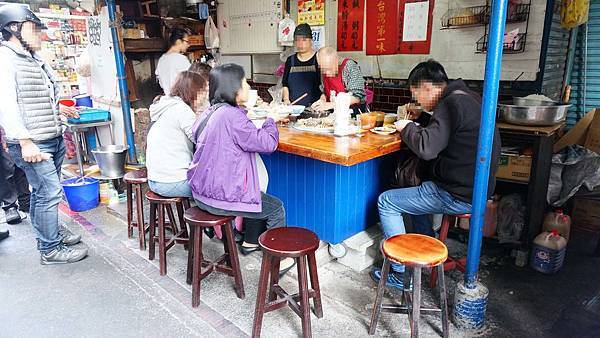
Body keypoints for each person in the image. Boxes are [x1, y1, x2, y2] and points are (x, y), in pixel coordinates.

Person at [373, 60, 501, 288]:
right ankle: (425, 249)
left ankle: (400, 274)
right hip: (477, 190)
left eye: (416, 95)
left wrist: (406, 127)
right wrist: (422, 116)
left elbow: (427, 148)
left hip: (456, 193)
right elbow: (445, 131)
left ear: (427, 88)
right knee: (414, 194)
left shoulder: (450, 104)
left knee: (387, 201)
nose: (417, 101)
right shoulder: (468, 97)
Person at [0, 4, 87, 264]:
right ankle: (50, 249)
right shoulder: (6, 59)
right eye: (33, 28)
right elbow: (7, 104)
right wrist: (25, 141)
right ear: (14, 28)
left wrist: (59, 110)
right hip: (34, 143)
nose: (39, 33)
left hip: (50, 137)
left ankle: (49, 235)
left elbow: (38, 97)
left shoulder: (32, 58)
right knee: (49, 192)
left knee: (41, 193)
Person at [187, 63, 295, 273]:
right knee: (276, 208)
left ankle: (251, 241)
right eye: (244, 82)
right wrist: (271, 119)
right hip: (220, 198)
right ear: (233, 88)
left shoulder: (210, 112)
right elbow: (267, 144)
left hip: (201, 193)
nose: (248, 86)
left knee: (260, 194)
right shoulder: (231, 116)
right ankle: (278, 262)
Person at [146, 71, 208, 198]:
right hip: (173, 182)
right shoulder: (182, 110)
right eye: (203, 91)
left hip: (154, 179)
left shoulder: (167, 106)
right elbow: (201, 139)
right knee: (219, 186)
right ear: (193, 91)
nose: (205, 97)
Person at [311, 46, 366, 114]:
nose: (326, 73)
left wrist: (330, 105)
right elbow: (325, 92)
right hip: (334, 114)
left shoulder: (349, 66)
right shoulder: (324, 69)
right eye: (323, 69)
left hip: (353, 114)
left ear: (337, 60)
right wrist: (322, 100)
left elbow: (357, 97)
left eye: (329, 69)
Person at [282, 23, 321, 107]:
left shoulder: (318, 59)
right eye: (297, 40)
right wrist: (286, 100)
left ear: (311, 40)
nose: (300, 43)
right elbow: (285, 84)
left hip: (314, 109)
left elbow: (324, 86)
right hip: (293, 109)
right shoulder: (290, 60)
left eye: (304, 40)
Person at [1, 127, 30, 224]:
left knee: (20, 166)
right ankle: (10, 206)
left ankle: (25, 201)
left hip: (16, 133)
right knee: (6, 168)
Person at [155, 27, 192, 95]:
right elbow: (191, 81)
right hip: (181, 99)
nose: (188, 45)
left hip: (168, 99)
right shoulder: (181, 59)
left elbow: (161, 83)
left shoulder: (162, 59)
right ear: (178, 41)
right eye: (187, 42)